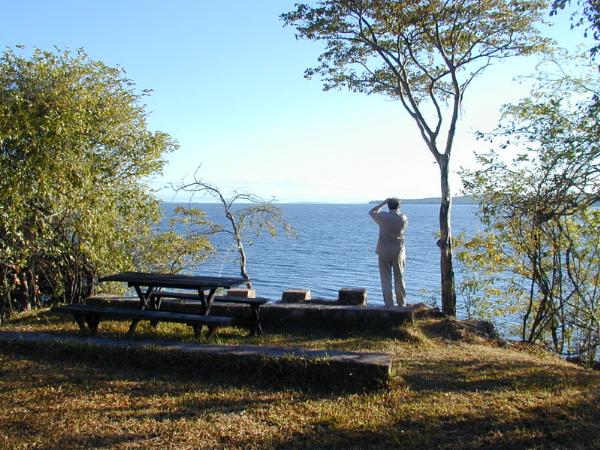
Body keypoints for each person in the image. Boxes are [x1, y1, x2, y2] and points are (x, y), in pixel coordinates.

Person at [369, 198, 408, 307]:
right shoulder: (403, 218)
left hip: (384, 251)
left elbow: (371, 212)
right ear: (399, 206)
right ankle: (401, 304)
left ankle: (389, 304)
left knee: (385, 279)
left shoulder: (383, 217)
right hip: (398, 251)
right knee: (399, 278)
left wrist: (383, 203)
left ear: (388, 206)